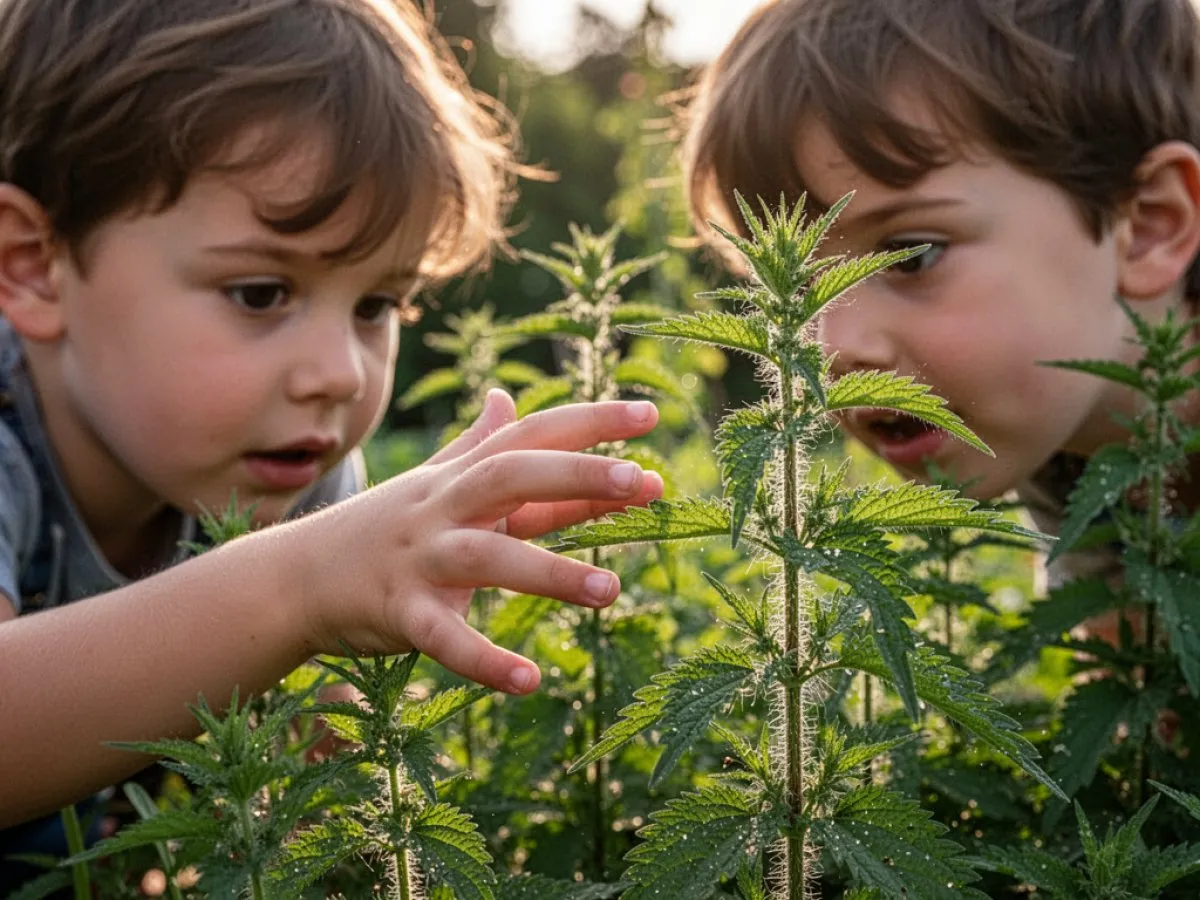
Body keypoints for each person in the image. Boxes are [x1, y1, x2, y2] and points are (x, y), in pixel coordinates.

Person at [0, 0, 664, 876]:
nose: (341, 373)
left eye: (375, 305)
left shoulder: (286, 459)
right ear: (34, 265)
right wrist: (299, 583)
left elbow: (328, 772)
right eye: (261, 293)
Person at [681, 0, 1200, 587]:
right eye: (794, 289)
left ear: (1151, 227)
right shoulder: (1058, 439)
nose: (831, 347)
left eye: (915, 255)